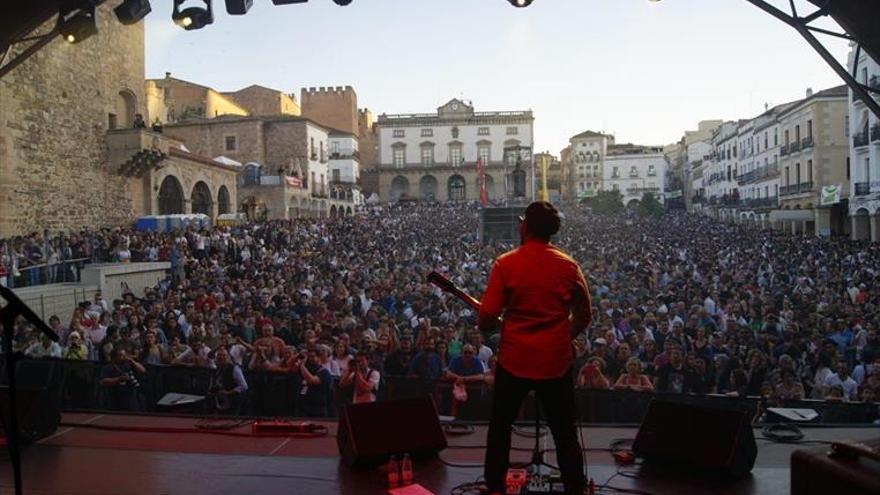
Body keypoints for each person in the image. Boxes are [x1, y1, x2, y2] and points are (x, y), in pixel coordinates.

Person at [478, 201, 592, 495]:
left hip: (514, 360)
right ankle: (575, 488)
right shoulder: (569, 266)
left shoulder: (506, 263)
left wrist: (490, 320)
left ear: (525, 226)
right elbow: (584, 315)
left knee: (501, 427)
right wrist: (561, 336)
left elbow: (487, 320)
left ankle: (494, 486)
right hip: (555, 362)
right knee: (564, 432)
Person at [208, 347, 248, 414]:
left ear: (228, 357)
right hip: (219, 401)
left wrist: (229, 392)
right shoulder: (216, 370)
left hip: (234, 401)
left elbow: (244, 386)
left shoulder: (235, 369)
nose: (221, 357)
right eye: (219, 355)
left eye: (224, 355)